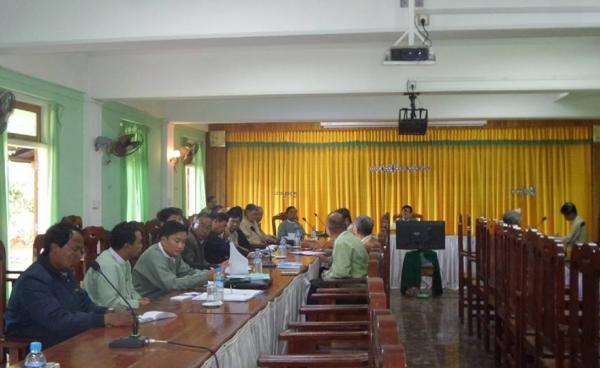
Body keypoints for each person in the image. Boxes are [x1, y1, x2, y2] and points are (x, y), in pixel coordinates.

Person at [5, 222, 133, 348]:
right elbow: (57, 321)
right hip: (35, 346)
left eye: (81, 251)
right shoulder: (34, 279)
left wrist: (111, 312)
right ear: (54, 248)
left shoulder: (65, 274)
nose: (79, 256)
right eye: (75, 250)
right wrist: (105, 319)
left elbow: (86, 305)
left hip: (66, 338)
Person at [133, 221, 213, 299]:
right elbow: (171, 285)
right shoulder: (154, 256)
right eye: (177, 241)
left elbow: (187, 272)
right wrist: (205, 276)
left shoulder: (174, 252)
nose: (181, 246)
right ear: (164, 240)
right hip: (147, 301)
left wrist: (212, 273)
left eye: (184, 242)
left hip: (166, 297)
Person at [83, 222, 150, 309]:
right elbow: (109, 303)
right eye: (139, 242)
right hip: (101, 315)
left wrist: (139, 299)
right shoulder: (107, 265)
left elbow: (130, 290)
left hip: (123, 311)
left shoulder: (125, 260)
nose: (141, 246)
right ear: (127, 247)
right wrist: (137, 304)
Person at [323, 212, 369, 279]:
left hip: (353, 285)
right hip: (359, 279)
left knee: (313, 284)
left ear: (328, 228)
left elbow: (341, 273)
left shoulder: (341, 242)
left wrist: (325, 276)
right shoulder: (349, 236)